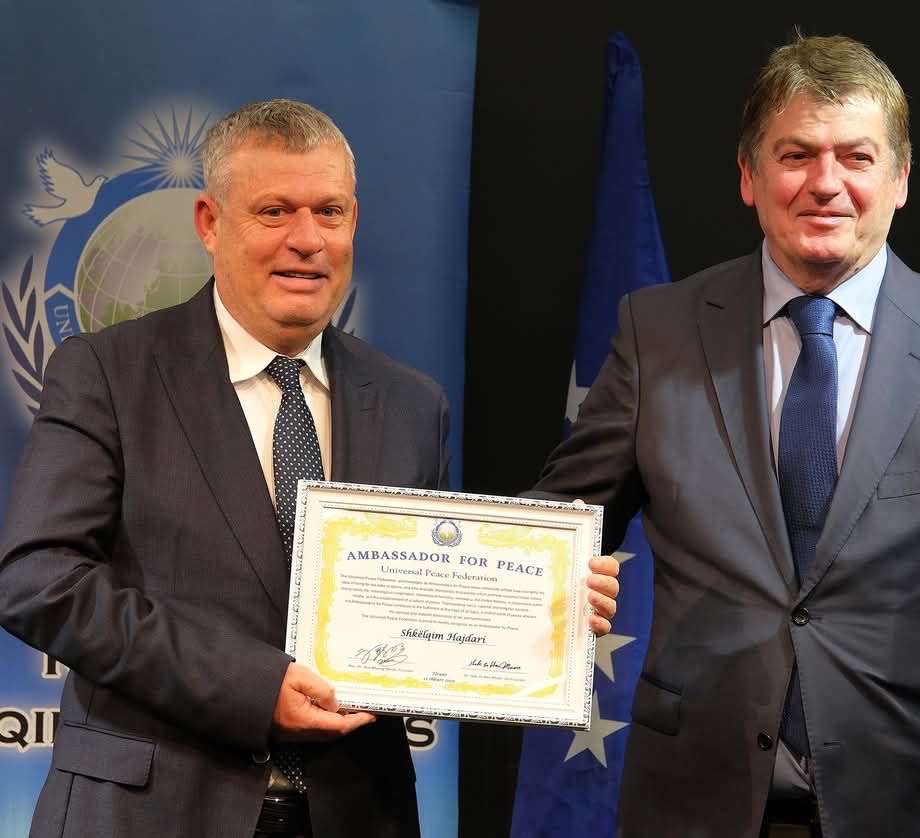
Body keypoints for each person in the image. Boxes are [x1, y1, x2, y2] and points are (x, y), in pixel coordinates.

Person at [0, 99, 619, 838]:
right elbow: (40, 580)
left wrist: (541, 609)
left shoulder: (411, 402)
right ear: (209, 222)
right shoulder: (107, 372)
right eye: (274, 211)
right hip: (148, 812)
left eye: (329, 212)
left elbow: (419, 608)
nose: (307, 239)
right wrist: (252, 687)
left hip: (355, 813)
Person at [530, 33, 920, 838]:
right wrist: (544, 579)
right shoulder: (657, 334)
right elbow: (542, 541)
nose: (826, 183)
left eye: (857, 157)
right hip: (698, 808)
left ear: (900, 179)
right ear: (749, 176)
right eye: (796, 155)